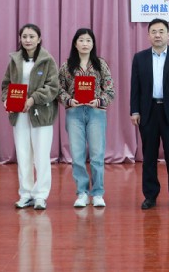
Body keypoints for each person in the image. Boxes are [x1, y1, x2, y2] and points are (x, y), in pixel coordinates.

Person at [130, 19, 169, 210]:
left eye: (161, 31)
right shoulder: (139, 58)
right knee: (149, 157)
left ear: (168, 34)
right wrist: (134, 110)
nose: (157, 35)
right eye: (154, 32)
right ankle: (150, 196)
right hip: (148, 112)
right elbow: (135, 87)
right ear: (148, 35)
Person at [1, 24, 59, 211]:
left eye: (31, 36)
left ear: (39, 39)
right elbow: (6, 84)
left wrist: (33, 99)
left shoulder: (47, 59)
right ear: (20, 38)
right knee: (23, 154)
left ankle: (40, 195)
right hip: (19, 114)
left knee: (41, 156)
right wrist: (7, 100)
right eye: (24, 36)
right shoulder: (14, 60)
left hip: (41, 114)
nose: (27, 40)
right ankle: (25, 194)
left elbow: (53, 87)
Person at [58, 28, 115, 208]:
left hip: (96, 112)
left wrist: (100, 100)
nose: (85, 44)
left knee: (97, 155)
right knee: (77, 155)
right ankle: (82, 192)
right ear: (75, 44)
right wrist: (69, 100)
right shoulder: (67, 66)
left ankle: (97, 193)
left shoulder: (100, 64)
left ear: (93, 44)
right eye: (81, 40)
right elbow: (58, 89)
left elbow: (110, 90)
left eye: (88, 40)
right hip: (74, 113)